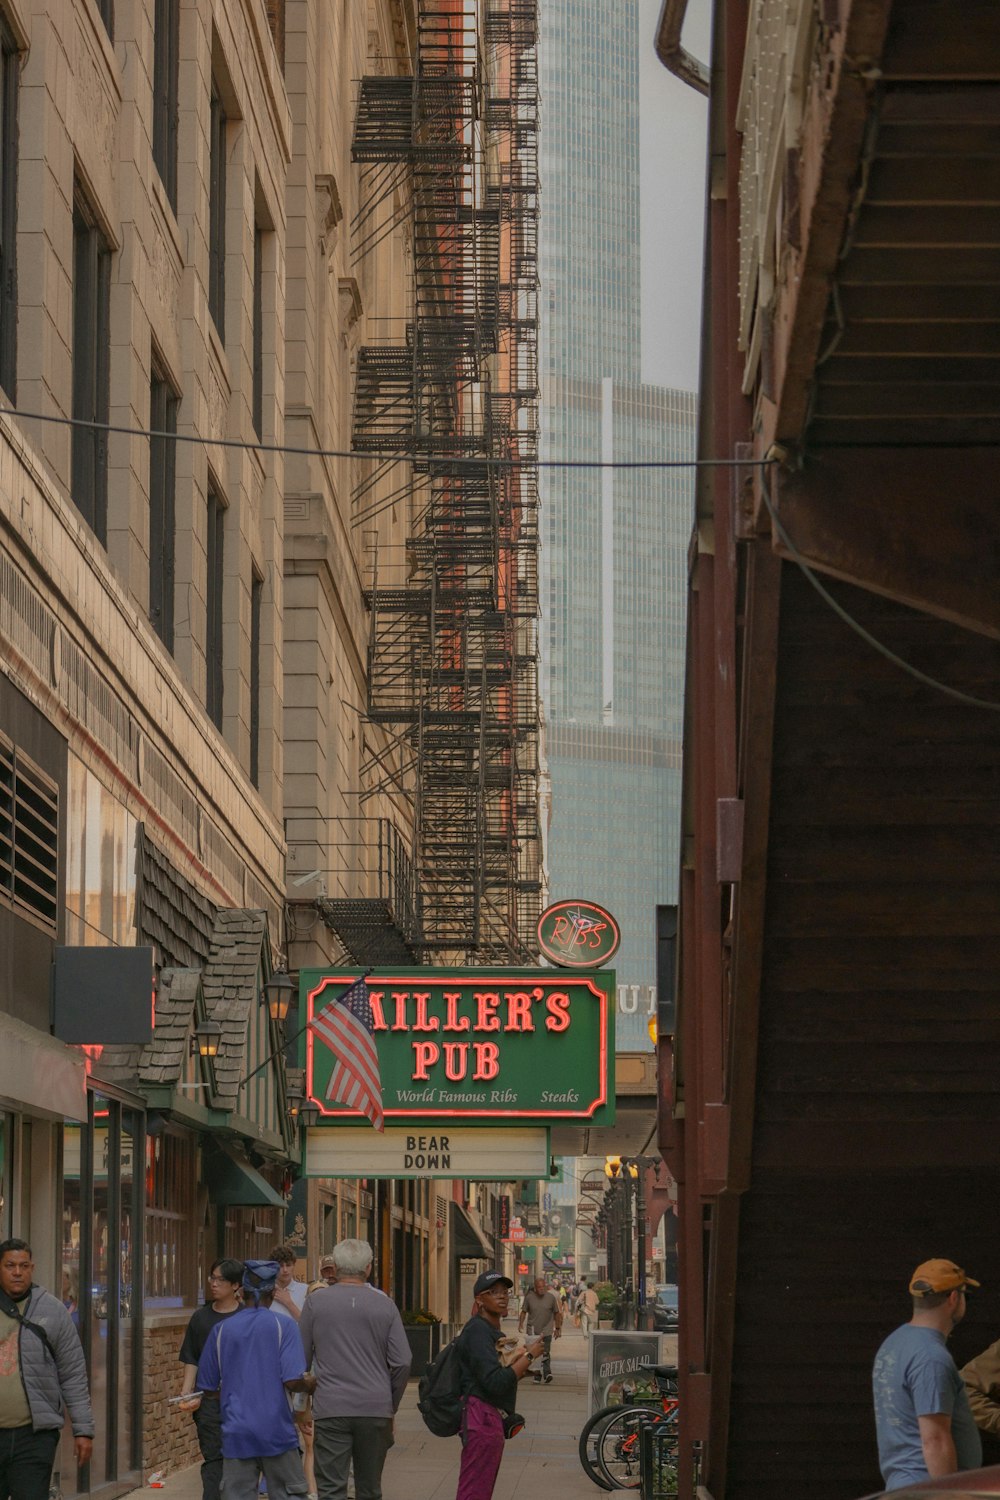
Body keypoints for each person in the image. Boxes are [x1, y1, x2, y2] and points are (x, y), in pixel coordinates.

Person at [194, 1259, 315, 1500]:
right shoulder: (286, 1327)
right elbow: (293, 1381)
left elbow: (207, 1388)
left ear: (242, 1290)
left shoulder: (222, 1330)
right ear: (272, 1292)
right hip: (277, 1431)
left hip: (237, 1431)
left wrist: (233, 1390)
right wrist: (311, 1384)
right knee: (289, 1494)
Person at [299, 1239, 410, 1500]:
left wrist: (301, 1406)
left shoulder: (315, 1303)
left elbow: (299, 1363)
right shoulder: (385, 1305)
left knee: (331, 1489)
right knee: (369, 1489)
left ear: (335, 1268)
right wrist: (390, 1403)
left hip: (331, 1406)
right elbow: (403, 1361)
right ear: (368, 1268)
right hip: (375, 1407)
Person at [872, 1258, 982, 1491]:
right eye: (965, 1295)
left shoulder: (894, 1343)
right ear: (954, 1298)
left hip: (905, 1487)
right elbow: (935, 1440)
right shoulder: (930, 1357)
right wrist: (949, 1496)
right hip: (926, 1491)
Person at [0, 1237, 94, 1499]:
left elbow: (73, 1373)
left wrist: (83, 1429)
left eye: (24, 1265)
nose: (17, 1272)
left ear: (32, 1268)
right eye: (10, 1265)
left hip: (35, 1436)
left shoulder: (52, 1311)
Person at [455, 1271, 544, 1500]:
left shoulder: (492, 1332)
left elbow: (491, 1376)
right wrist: (529, 1358)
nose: (502, 1296)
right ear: (479, 1299)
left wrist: (521, 1370)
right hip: (480, 1416)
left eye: (504, 1291)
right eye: (493, 1292)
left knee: (481, 1488)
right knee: (475, 1489)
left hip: (488, 1416)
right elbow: (494, 1383)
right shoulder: (477, 1331)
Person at [177, 1258, 244, 1500]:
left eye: (220, 1280)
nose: (213, 1284)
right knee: (214, 1458)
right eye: (211, 1278)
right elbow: (191, 1357)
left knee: (239, 1460)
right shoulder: (200, 1318)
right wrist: (187, 1391)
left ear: (236, 1285)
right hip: (209, 1402)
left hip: (241, 1402)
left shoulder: (246, 1317)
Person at [517, 1276, 562, 1384]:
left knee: (545, 1352)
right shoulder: (529, 1298)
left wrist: (558, 1328)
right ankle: (537, 1375)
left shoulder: (551, 1298)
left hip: (546, 1330)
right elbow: (523, 1312)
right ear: (535, 1288)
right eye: (539, 1287)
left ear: (546, 1286)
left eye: (543, 1287)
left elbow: (557, 1313)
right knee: (534, 1354)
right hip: (532, 1331)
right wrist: (520, 1324)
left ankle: (547, 1374)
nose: (541, 1289)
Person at [271, 1243, 308, 1322]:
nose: (285, 1270)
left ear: (294, 1266)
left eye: (288, 1265)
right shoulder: (267, 1291)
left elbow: (307, 1324)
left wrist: (288, 1303)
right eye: (281, 1266)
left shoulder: (305, 1290)